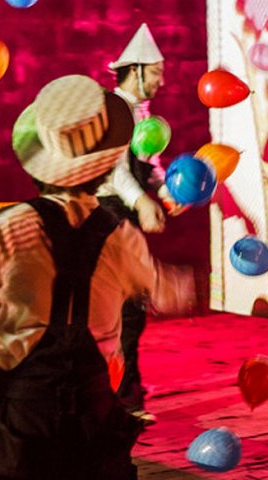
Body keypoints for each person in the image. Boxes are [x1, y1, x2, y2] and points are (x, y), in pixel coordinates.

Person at [0, 74, 195, 479]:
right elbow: (166, 291)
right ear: (103, 164)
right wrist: (185, 284)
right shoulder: (122, 238)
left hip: (23, 424)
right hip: (95, 424)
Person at [96, 23, 184, 425]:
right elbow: (115, 170)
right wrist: (141, 201)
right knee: (122, 311)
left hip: (125, 212)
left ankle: (124, 396)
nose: (162, 81)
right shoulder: (113, 108)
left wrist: (165, 191)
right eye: (157, 73)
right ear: (135, 70)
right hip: (108, 213)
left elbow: (148, 162)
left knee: (130, 312)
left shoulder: (142, 114)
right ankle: (119, 399)